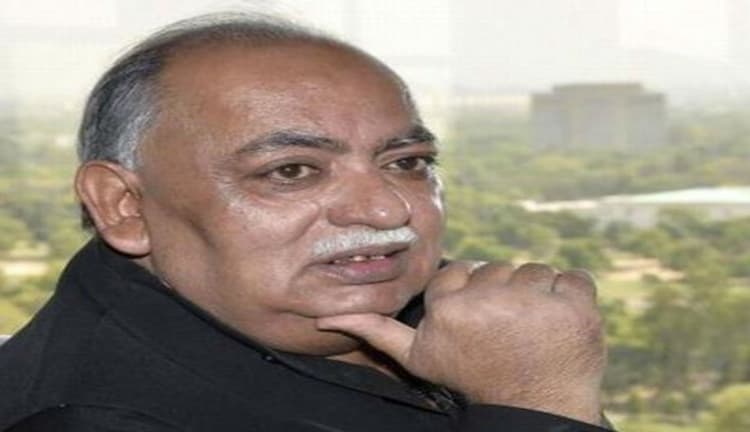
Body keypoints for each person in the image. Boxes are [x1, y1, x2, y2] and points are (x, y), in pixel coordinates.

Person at [0, 12, 614, 431]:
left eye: (407, 162)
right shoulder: (95, 417)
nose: (385, 210)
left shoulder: (452, 316)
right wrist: (534, 404)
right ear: (125, 207)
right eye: (291, 171)